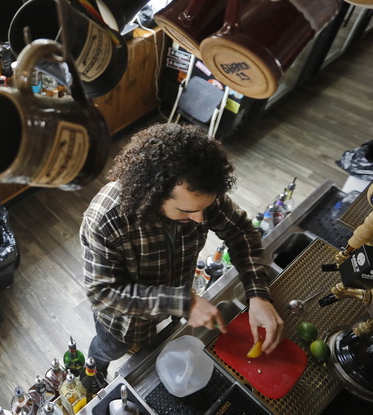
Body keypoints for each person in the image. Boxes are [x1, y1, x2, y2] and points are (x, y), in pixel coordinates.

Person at [80, 123, 283, 375]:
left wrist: (258, 295)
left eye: (204, 209)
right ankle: (94, 369)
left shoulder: (199, 195)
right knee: (109, 349)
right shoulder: (106, 219)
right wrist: (182, 302)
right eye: (186, 211)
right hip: (123, 322)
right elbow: (102, 293)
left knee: (157, 343)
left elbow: (240, 231)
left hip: (176, 301)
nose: (200, 219)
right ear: (153, 193)